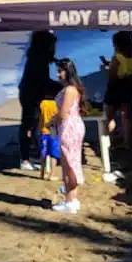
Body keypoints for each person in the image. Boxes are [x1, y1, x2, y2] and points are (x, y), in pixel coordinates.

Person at [17, 32, 59, 170]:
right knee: (29, 125)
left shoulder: (38, 57)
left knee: (32, 125)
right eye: (53, 46)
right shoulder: (39, 60)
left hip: (30, 92)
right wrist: (60, 86)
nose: (54, 49)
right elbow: (42, 81)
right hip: (31, 94)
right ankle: (25, 158)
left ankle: (31, 154)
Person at [51, 57, 87, 215]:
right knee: (72, 162)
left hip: (69, 128)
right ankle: (73, 199)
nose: (58, 75)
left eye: (60, 71)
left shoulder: (69, 90)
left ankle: (70, 200)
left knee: (68, 165)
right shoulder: (73, 88)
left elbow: (63, 114)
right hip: (73, 126)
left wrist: (52, 121)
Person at [101, 31, 132, 152]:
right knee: (126, 116)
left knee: (109, 117)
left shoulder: (116, 58)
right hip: (128, 87)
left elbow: (112, 76)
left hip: (115, 88)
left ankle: (110, 142)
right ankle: (127, 141)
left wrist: (106, 68)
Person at [37, 94, 61, 181]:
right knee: (53, 154)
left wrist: (39, 129)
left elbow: (40, 117)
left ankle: (42, 173)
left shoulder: (43, 103)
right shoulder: (58, 104)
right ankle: (52, 174)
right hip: (54, 131)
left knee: (43, 153)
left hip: (44, 131)